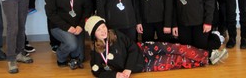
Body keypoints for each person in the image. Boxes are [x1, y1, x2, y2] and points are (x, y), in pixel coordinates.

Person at [84, 15, 221, 78]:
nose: (103, 31)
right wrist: (116, 75)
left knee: (177, 48)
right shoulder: (96, 53)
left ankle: (208, 54)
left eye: (103, 27)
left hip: (144, 49)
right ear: (93, 35)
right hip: (144, 65)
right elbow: (97, 72)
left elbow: (132, 47)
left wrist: (127, 69)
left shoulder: (115, 34)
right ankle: (206, 60)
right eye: (98, 30)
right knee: (176, 61)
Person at [45, 0, 92, 69]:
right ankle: (61, 58)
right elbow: (50, 13)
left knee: (80, 57)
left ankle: (73, 54)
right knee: (72, 44)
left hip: (77, 27)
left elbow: (87, 8)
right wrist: (67, 27)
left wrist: (80, 26)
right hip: (59, 27)